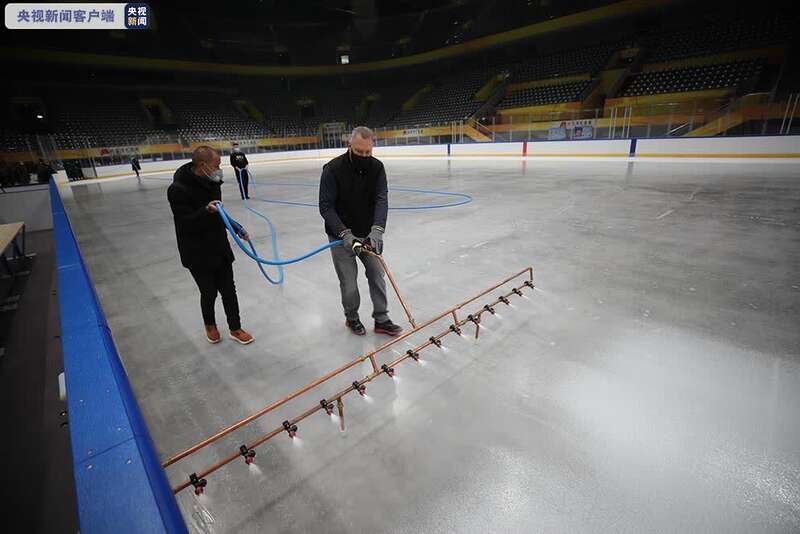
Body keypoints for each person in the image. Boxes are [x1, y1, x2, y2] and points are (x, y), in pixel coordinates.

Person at [319, 126, 403, 337]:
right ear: (350, 147)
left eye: (368, 152)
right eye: (359, 152)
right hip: (341, 238)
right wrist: (344, 234)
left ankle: (382, 319)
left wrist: (377, 230)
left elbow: (381, 199)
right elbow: (326, 207)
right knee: (348, 283)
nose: (364, 156)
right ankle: (352, 317)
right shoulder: (332, 169)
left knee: (377, 274)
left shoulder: (377, 167)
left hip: (367, 235)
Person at [167, 146, 254, 345]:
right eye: (216, 166)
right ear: (203, 166)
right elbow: (184, 222)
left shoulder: (213, 182)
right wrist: (205, 211)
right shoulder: (178, 189)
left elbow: (220, 212)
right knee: (209, 291)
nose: (219, 169)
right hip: (196, 252)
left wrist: (236, 227)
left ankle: (235, 327)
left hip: (219, 247)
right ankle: (210, 325)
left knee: (229, 290)